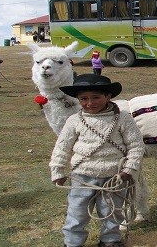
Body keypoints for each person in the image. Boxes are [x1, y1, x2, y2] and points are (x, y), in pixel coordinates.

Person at [50, 74, 145, 247]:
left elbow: (136, 145)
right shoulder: (74, 121)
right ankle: (72, 242)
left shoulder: (123, 119)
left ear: (108, 97)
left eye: (96, 97)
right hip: (82, 176)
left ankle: (110, 240)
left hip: (114, 177)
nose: (90, 103)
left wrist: (129, 169)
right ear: (78, 99)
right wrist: (57, 170)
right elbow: (62, 147)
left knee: (112, 213)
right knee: (77, 213)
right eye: (84, 98)